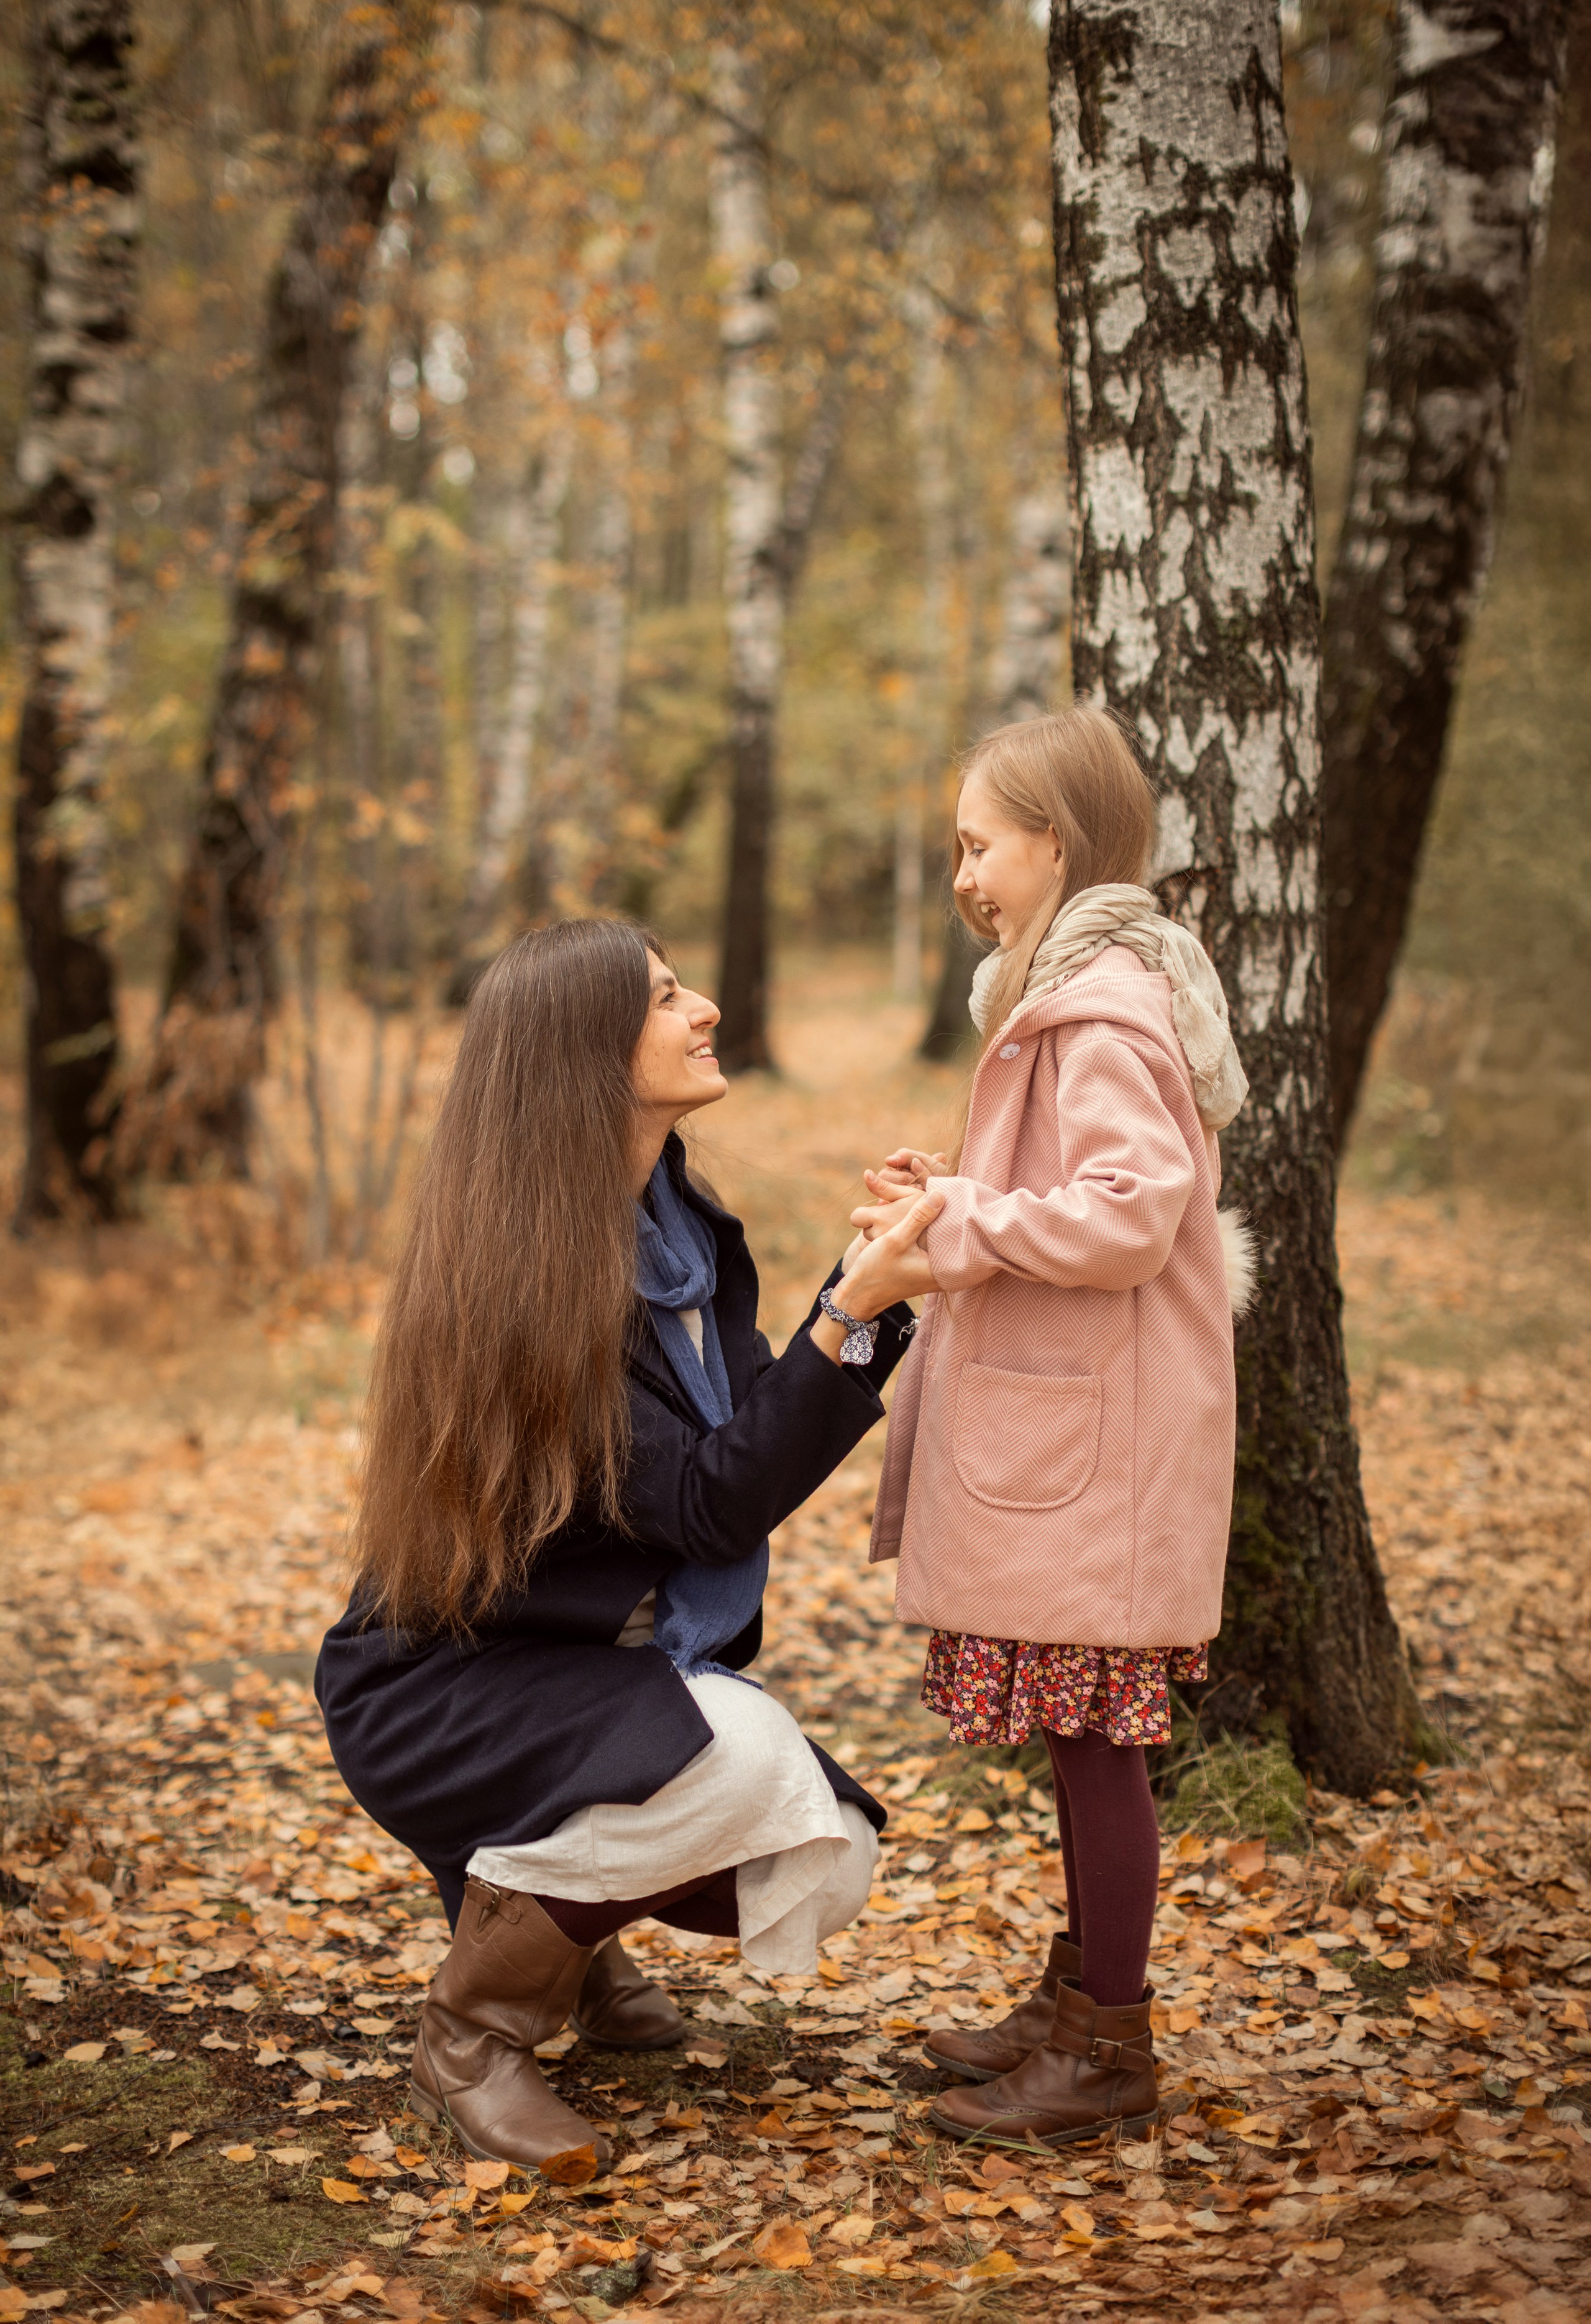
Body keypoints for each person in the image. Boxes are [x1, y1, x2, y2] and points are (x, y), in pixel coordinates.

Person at [315, 918, 940, 2168]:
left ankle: (567, 1952)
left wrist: (857, 1296)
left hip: (564, 1667)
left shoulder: (680, 1230)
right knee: (742, 1760)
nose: (704, 1005)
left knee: (829, 1841)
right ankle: (473, 2029)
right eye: (664, 998)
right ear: (585, 1056)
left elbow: (745, 1434)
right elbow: (711, 1501)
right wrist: (847, 1310)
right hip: (440, 1691)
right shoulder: (534, 1281)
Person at [852, 711, 1253, 2149]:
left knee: (1093, 1741)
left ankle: (1112, 2044)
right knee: (1077, 1733)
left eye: (976, 844)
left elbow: (1132, 1208)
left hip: (1104, 1446)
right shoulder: (1079, 992)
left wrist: (956, 1218)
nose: (963, 872)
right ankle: (1076, 1998)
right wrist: (953, 1179)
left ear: (1054, 844)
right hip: (1085, 1433)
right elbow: (1079, 1184)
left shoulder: (1096, 1005)